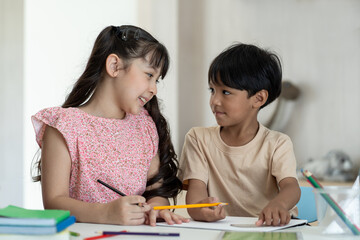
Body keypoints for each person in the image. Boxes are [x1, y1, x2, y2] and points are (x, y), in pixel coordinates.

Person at [31, 25, 189, 226]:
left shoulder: (145, 126)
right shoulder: (63, 125)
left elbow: (155, 191)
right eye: (149, 75)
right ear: (114, 66)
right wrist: (106, 213)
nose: (154, 89)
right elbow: (54, 202)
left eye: (157, 80)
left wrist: (155, 209)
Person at [179, 43, 301, 226]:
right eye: (212, 90)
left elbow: (291, 187)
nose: (215, 101)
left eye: (226, 92)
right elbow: (196, 192)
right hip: (220, 231)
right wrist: (200, 209)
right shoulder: (198, 138)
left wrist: (279, 205)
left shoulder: (278, 143)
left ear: (258, 98)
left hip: (267, 229)